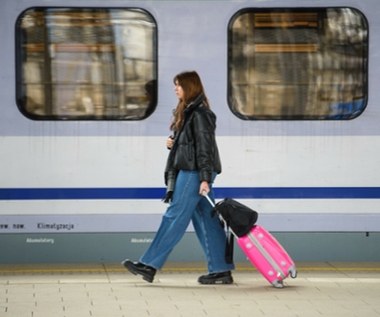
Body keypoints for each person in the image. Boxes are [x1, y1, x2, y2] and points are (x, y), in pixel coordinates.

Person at [122, 71, 235, 284]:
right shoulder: (190, 112)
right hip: (195, 170)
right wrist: (173, 144)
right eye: (175, 85)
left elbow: (205, 149)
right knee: (206, 220)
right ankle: (221, 270)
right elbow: (192, 145)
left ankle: (149, 264)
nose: (176, 89)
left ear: (190, 87)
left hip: (194, 173)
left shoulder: (201, 114)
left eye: (179, 85)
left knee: (174, 216)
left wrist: (203, 178)